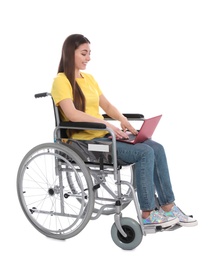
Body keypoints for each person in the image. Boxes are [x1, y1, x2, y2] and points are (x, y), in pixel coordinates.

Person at [51, 34, 198, 228]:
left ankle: (168, 207)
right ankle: (147, 214)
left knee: (157, 148)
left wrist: (123, 121)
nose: (89, 58)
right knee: (145, 153)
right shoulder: (61, 81)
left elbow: (107, 106)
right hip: (85, 143)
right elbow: (73, 115)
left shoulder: (89, 79)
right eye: (84, 53)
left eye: (89, 53)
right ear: (71, 54)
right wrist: (107, 125)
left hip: (104, 137)